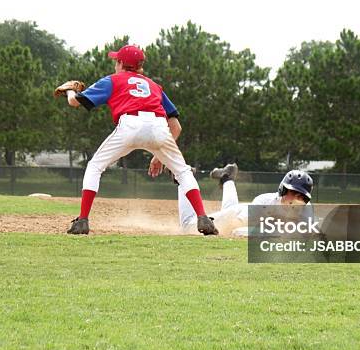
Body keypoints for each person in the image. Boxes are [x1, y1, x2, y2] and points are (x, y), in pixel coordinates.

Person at [60, 44, 218, 236]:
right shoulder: (154, 86)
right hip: (159, 127)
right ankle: (202, 217)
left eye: (116, 60)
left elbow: (74, 102)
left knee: (95, 167)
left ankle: (82, 221)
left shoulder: (112, 80)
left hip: (130, 125)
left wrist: (69, 90)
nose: (115, 64)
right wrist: (159, 155)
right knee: (183, 172)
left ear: (120, 63)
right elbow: (176, 127)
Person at [160, 163, 314, 236]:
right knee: (188, 227)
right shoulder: (265, 204)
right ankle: (184, 176)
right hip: (237, 218)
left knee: (231, 207)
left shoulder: (305, 211)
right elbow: (237, 230)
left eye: (301, 196)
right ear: (283, 190)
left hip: (241, 212)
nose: (296, 199)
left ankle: (227, 177)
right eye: (293, 193)